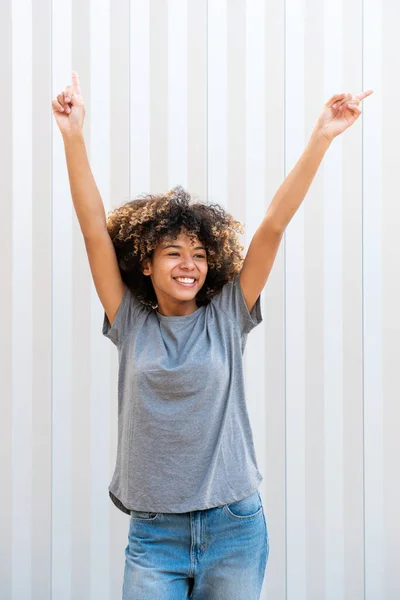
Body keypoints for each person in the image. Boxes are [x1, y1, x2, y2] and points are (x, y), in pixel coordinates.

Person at [52, 72, 373, 600]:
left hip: (234, 527)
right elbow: (93, 229)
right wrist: (72, 136)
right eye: (174, 253)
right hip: (156, 533)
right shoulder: (131, 321)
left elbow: (271, 226)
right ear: (146, 263)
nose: (189, 265)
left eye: (200, 255)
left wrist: (322, 135)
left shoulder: (227, 314)